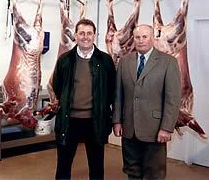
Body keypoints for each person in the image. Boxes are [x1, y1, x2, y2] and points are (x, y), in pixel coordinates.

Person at [113, 24, 181, 180]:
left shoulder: (168, 62)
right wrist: (117, 121)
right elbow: (118, 94)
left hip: (155, 129)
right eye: (137, 37)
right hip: (129, 128)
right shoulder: (124, 61)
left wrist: (167, 128)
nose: (141, 40)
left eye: (145, 37)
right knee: (132, 171)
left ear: (152, 38)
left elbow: (173, 98)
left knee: (154, 173)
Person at [52, 19, 116, 180]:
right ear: (76, 36)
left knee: (96, 166)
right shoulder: (65, 60)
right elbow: (58, 86)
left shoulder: (105, 60)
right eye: (81, 33)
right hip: (69, 120)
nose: (85, 37)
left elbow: (111, 89)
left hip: (95, 121)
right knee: (63, 165)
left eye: (89, 33)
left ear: (95, 35)